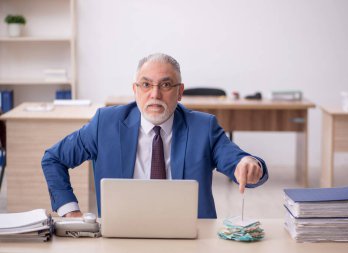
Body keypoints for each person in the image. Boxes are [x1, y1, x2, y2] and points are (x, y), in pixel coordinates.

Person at [41, 53, 268, 219]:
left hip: (192, 237)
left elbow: (237, 160)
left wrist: (249, 163)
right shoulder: (105, 124)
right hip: (122, 234)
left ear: (180, 92)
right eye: (146, 84)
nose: (155, 94)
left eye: (166, 85)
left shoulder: (203, 127)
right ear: (135, 89)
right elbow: (53, 158)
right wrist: (69, 211)